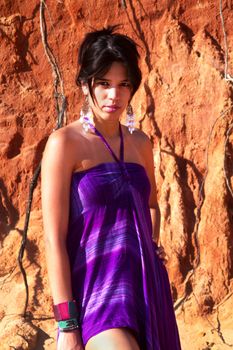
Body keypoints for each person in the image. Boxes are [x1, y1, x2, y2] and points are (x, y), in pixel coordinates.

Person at [41, 26, 181, 350]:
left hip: (146, 289)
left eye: (123, 85)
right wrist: (67, 323)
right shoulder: (65, 144)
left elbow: (152, 204)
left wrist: (153, 240)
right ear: (85, 84)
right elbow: (53, 240)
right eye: (103, 84)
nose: (113, 96)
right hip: (97, 296)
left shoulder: (140, 144)